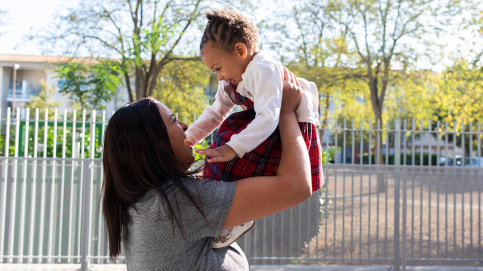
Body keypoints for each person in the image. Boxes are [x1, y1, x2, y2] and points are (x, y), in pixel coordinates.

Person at [100, 71, 312, 270]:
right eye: (173, 120)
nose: (184, 125)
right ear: (156, 144)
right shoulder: (175, 203)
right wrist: (285, 112)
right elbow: (296, 187)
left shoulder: (146, 203)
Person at [184, 9, 323, 248]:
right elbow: (216, 112)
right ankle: (233, 216)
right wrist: (188, 139)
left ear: (241, 51)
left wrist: (234, 147)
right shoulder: (232, 80)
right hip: (267, 123)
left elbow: (269, 117)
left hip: (286, 127)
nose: (218, 77)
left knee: (230, 156)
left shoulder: (263, 68)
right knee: (221, 150)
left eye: (218, 68)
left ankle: (236, 217)